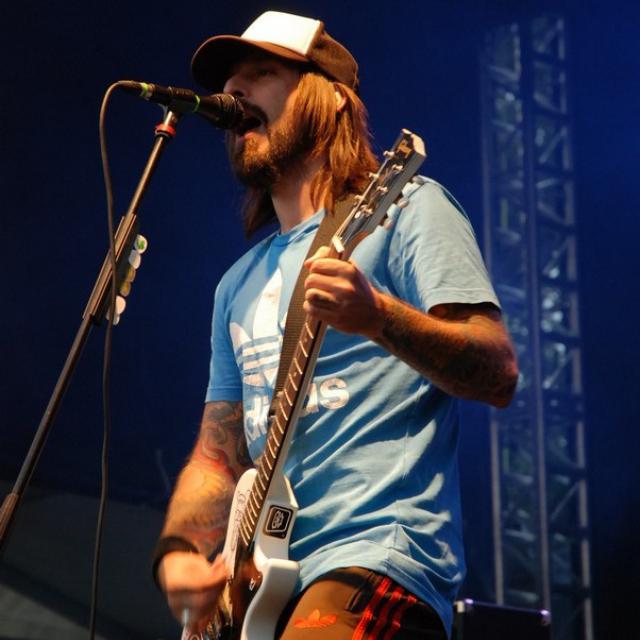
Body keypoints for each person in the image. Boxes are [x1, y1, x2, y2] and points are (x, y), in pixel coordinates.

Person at [152, 10, 518, 640]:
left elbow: (498, 371)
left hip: (377, 555)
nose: (233, 92)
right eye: (229, 83)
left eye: (261, 74)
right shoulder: (236, 284)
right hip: (261, 585)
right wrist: (179, 551)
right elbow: (217, 456)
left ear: (331, 99)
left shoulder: (407, 210)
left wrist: (378, 317)